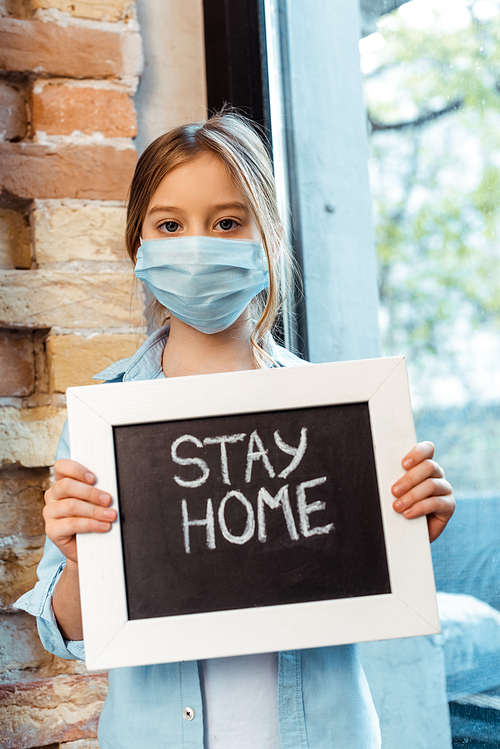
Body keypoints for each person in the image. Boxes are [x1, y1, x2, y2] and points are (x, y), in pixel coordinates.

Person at [16, 111, 455, 749]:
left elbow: (366, 580)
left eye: (227, 222)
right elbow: (68, 634)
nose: (198, 244)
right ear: (139, 248)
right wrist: (85, 559)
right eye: (170, 225)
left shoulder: (338, 419)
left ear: (268, 236)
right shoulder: (106, 417)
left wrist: (409, 526)